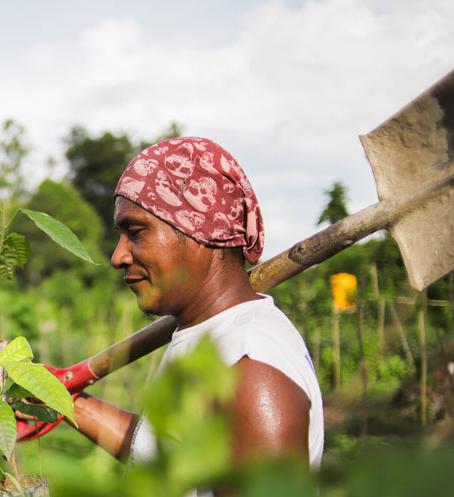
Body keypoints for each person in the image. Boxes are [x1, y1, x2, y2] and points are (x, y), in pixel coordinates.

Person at [68, 137, 323, 477]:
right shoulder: (211, 337)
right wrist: (65, 404)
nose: (118, 257)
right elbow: (166, 454)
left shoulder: (250, 372)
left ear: (204, 231)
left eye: (136, 232)